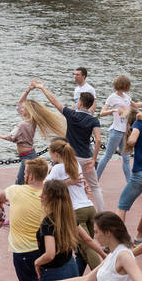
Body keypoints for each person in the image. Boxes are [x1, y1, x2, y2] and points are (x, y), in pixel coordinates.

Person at [0, 158, 74, 281]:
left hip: (24, 254)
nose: (23, 176)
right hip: (42, 250)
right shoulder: (49, 195)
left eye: (25, 174)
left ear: (30, 175)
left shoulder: (15, 191)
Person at [33, 81, 105, 212]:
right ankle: (101, 213)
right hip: (87, 158)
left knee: (61, 181)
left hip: (71, 157)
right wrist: (93, 159)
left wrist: (42, 87)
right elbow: (98, 140)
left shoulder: (71, 114)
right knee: (95, 186)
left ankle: (51, 209)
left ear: (80, 103)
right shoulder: (94, 120)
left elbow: (54, 101)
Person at [46, 138, 102, 281]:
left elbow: (47, 187)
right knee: (83, 248)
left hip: (76, 211)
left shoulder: (57, 169)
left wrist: (50, 171)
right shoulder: (75, 164)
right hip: (89, 207)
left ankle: (102, 278)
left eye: (50, 153)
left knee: (88, 248)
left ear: (56, 154)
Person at [0, 81, 66, 185]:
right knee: (26, 181)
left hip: (27, 157)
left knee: (20, 182)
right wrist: (28, 90)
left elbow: (10, 138)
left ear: (28, 111)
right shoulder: (32, 121)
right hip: (28, 155)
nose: (22, 109)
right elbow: (20, 104)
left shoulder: (23, 125)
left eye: (24, 108)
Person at [97, 75, 134, 183]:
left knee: (126, 158)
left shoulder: (126, 97)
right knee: (107, 156)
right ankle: (96, 179)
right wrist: (114, 110)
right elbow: (102, 113)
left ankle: (130, 183)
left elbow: (135, 105)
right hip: (116, 131)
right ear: (125, 85)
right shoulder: (112, 97)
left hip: (125, 132)